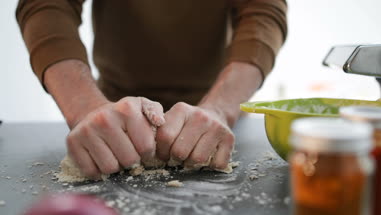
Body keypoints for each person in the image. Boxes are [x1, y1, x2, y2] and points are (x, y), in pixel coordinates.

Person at [16, 0, 287, 179]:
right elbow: (46, 5)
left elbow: (263, 12)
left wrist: (219, 108)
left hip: (215, 117)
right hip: (111, 118)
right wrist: (85, 107)